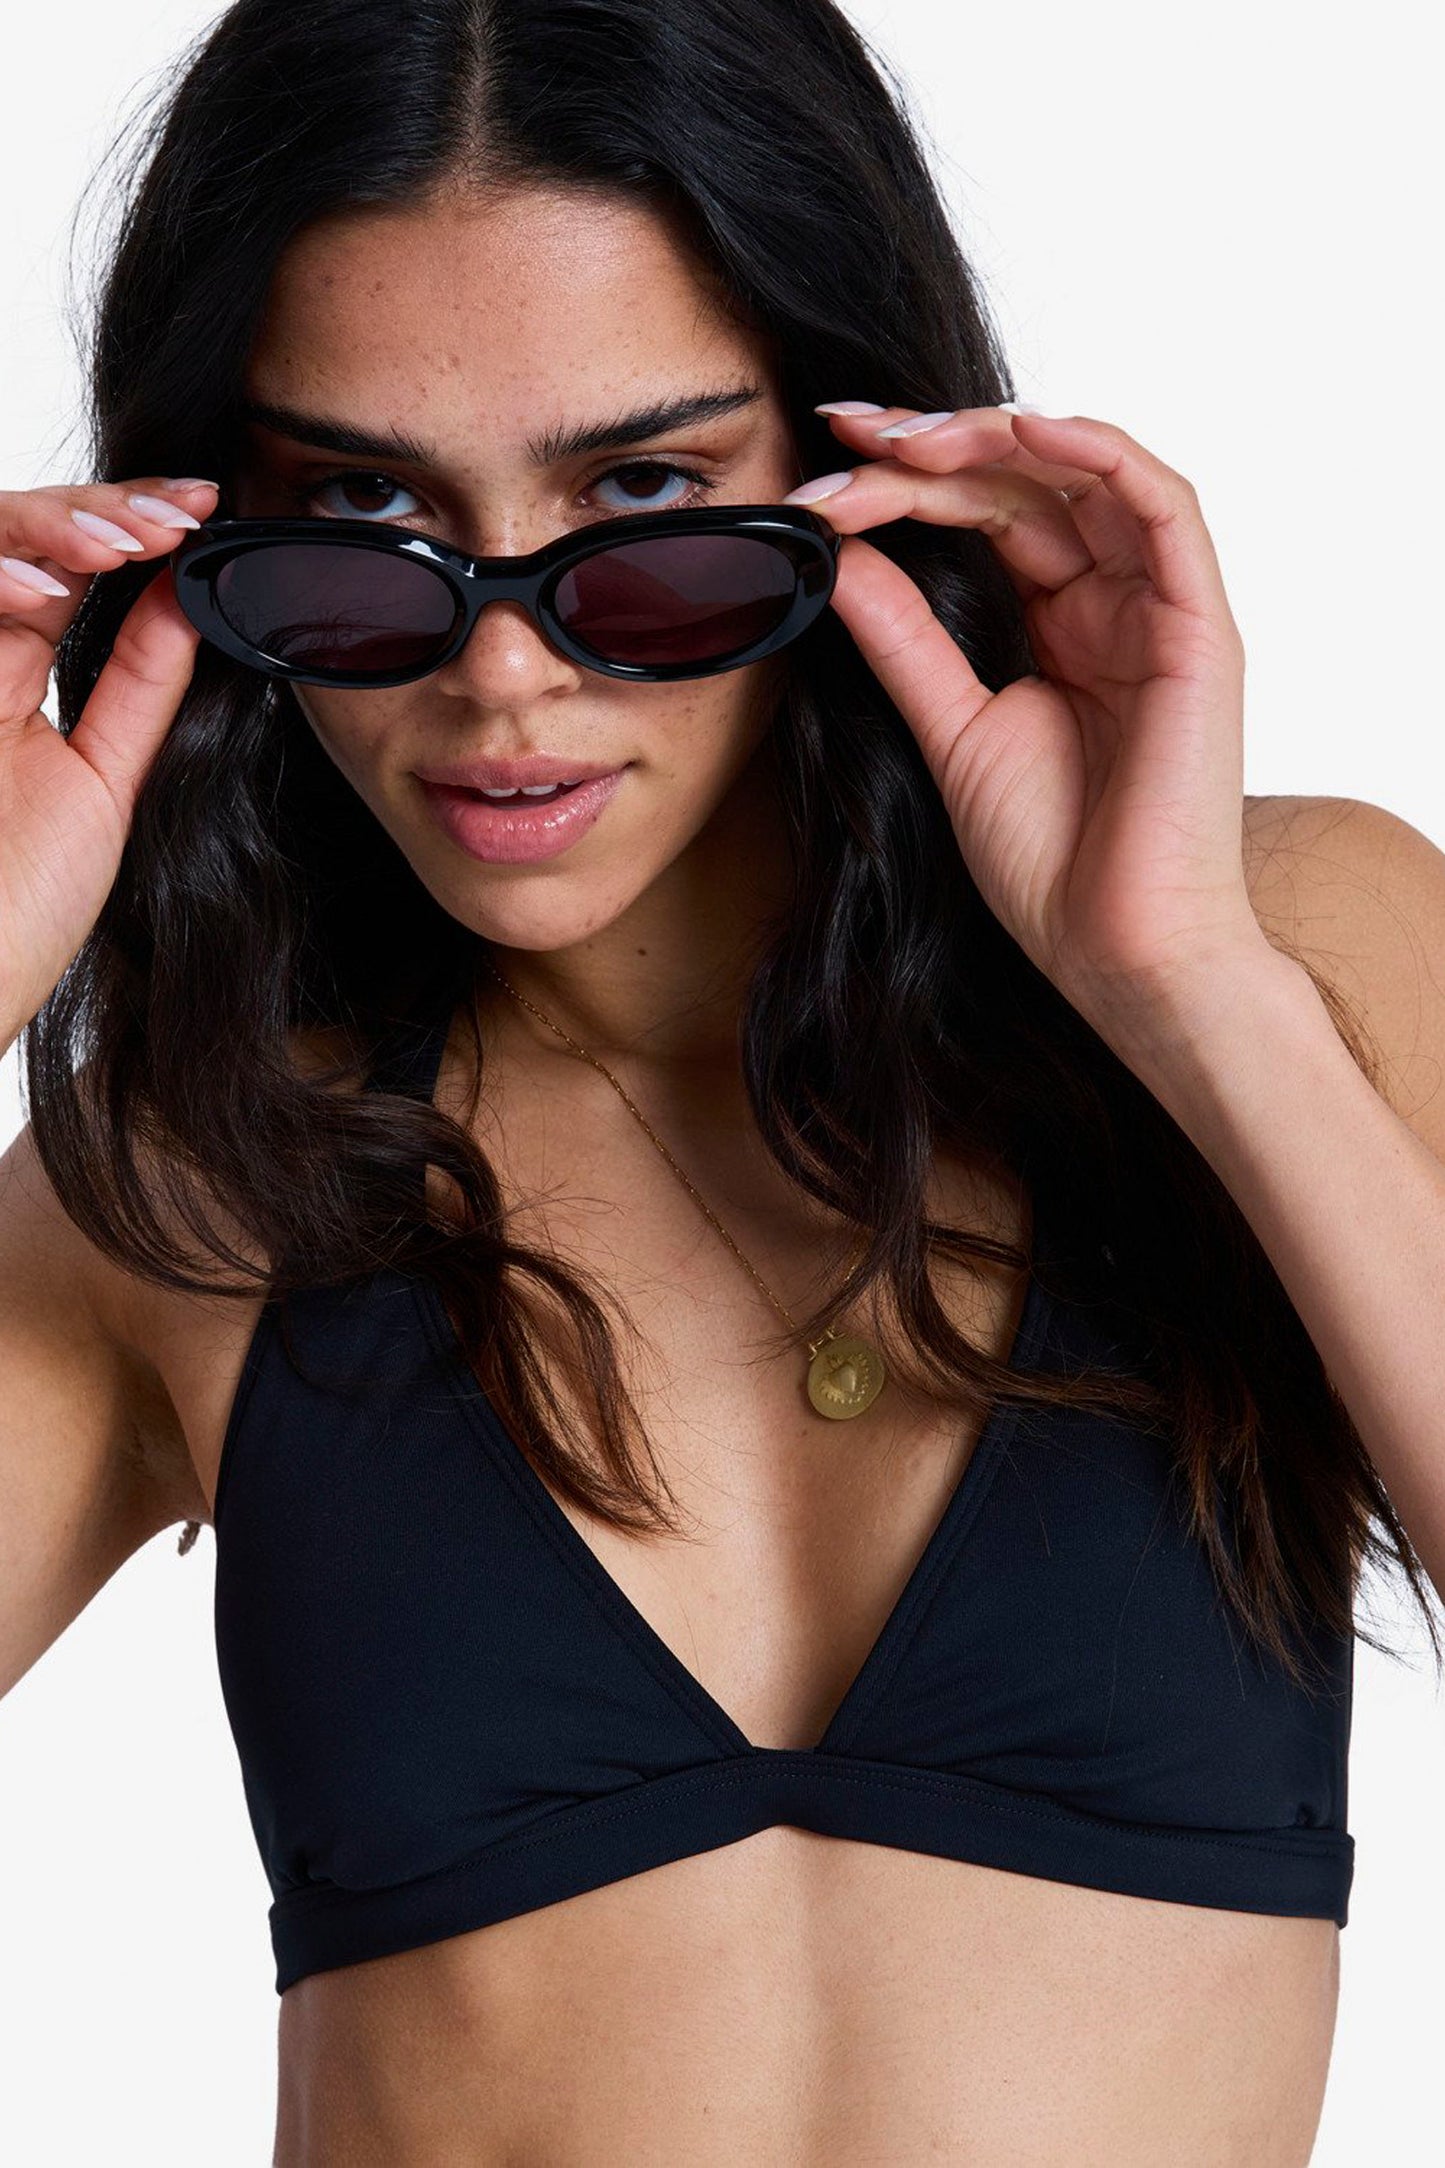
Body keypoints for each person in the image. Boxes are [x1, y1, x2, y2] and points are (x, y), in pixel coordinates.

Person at [3, 1, 1443, 2161]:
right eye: (367, 512)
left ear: (864, 472)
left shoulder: (1297, 950)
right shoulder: (197, 1173)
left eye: (645, 497)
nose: (504, 671)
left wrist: (1185, 988)